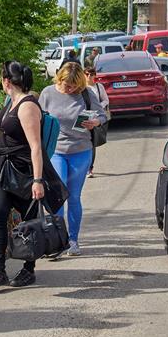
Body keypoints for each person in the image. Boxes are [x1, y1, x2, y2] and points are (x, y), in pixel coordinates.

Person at [0, 61, 45, 289]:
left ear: (6, 81)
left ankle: (28, 270)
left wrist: (38, 180)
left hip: (23, 172)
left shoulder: (27, 105)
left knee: (28, 220)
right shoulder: (11, 102)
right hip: (3, 169)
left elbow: (36, 146)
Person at [39, 62, 107, 256]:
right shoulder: (47, 93)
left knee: (74, 196)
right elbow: (38, 117)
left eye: (74, 87)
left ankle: (73, 240)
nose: (70, 89)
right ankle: (57, 240)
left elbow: (103, 115)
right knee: (58, 197)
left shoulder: (86, 94)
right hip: (56, 150)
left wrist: (95, 122)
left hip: (80, 150)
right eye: (67, 85)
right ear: (59, 79)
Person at [84, 66, 110, 178]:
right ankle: (83, 167)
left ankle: (90, 168)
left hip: (96, 118)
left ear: (95, 75)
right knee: (83, 141)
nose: (89, 76)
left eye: (92, 74)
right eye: (87, 74)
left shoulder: (99, 87)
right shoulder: (81, 88)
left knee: (92, 143)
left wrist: (99, 106)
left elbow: (106, 100)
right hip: (84, 116)